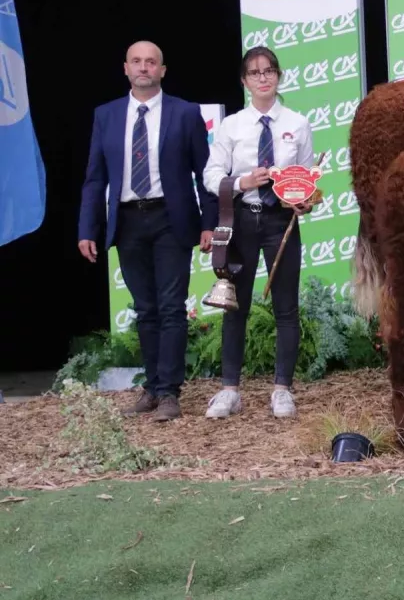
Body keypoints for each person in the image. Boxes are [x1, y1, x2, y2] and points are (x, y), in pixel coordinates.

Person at [77, 40, 217, 420]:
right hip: (127, 221)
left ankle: (170, 392)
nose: (143, 68)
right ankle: (152, 388)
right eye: (137, 62)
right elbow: (94, 178)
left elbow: (205, 173)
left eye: (151, 62)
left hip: (171, 219)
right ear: (125, 68)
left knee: (172, 307)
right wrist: (87, 228)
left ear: (162, 70)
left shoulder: (185, 113)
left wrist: (210, 223)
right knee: (145, 309)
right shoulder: (106, 115)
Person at [201, 46, 314, 419]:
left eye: (269, 71)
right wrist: (242, 181)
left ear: (278, 76)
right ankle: (229, 389)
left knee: (286, 308)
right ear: (244, 81)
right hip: (242, 221)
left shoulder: (297, 123)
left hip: (281, 223)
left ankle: (282, 389)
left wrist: (305, 200)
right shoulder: (232, 125)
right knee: (236, 306)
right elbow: (210, 175)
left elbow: (308, 177)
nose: (263, 77)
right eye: (254, 72)